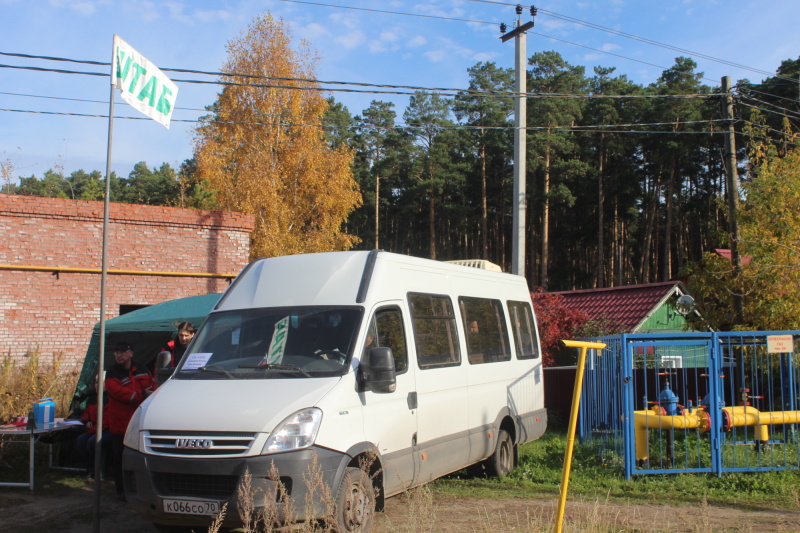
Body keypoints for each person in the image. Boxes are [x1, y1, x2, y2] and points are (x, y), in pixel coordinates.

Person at [105, 341, 156, 501]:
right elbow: (119, 392)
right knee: (121, 459)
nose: (119, 355)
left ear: (131, 353)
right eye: (116, 352)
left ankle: (141, 489)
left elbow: (152, 386)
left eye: (122, 352)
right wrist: (141, 395)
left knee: (141, 459)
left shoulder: (141, 369)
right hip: (121, 425)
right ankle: (122, 491)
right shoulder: (112, 374)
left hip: (140, 423)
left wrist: (150, 394)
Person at [74, 376, 110, 479]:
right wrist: (87, 421)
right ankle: (90, 466)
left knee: (92, 442)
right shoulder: (92, 399)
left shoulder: (109, 399)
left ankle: (98, 469)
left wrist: (93, 428)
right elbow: (87, 414)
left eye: (100, 383)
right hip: (94, 429)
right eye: (96, 383)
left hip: (107, 430)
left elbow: (107, 421)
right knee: (80, 441)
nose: (96, 385)